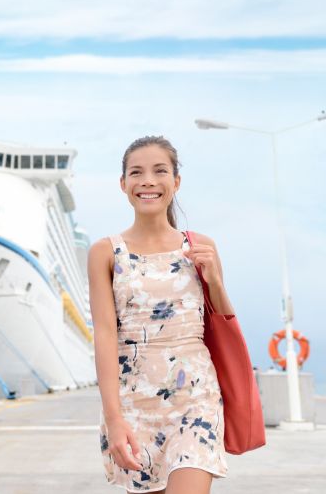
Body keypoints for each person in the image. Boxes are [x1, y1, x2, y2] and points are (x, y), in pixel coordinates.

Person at [88, 135, 236, 493]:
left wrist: (214, 279)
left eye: (160, 171)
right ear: (123, 184)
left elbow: (225, 320)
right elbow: (105, 335)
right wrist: (114, 420)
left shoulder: (201, 245)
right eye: (136, 172)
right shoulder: (105, 252)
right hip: (136, 404)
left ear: (176, 181)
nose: (148, 181)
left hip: (195, 399)